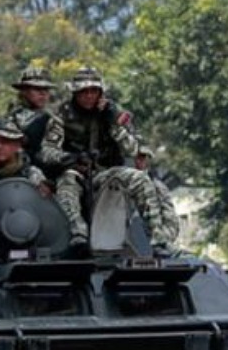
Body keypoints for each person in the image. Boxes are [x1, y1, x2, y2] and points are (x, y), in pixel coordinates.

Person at [40, 67, 171, 248]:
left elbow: (132, 149)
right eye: (83, 92)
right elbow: (47, 152)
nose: (89, 96)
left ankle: (158, 238)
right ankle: (78, 233)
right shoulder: (61, 116)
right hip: (76, 172)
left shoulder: (114, 113)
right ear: (75, 93)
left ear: (101, 92)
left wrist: (113, 123)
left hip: (106, 174)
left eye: (93, 91)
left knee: (140, 179)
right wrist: (73, 158)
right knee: (67, 181)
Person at [7, 65, 57, 172]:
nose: (43, 94)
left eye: (46, 89)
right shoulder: (13, 118)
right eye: (37, 89)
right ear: (24, 91)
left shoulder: (55, 116)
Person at [134, 145, 180, 245]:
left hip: (148, 239)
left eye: (142, 158)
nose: (138, 162)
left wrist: (162, 238)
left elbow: (170, 220)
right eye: (136, 158)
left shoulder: (157, 187)